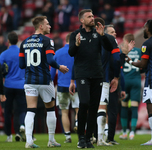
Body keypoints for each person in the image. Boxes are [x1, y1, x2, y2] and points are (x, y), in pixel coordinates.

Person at [19, 16, 69, 148]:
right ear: (40, 26)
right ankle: (51, 140)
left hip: (29, 80)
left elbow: (21, 65)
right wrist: (60, 67)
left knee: (30, 110)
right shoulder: (48, 41)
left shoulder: (24, 42)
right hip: (44, 80)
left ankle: (29, 141)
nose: (50, 26)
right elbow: (51, 60)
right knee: (50, 110)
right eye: (47, 24)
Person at [68, 9, 113, 148]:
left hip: (97, 74)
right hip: (82, 74)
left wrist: (103, 36)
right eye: (89, 17)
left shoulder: (98, 33)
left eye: (93, 16)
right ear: (82, 20)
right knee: (85, 103)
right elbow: (71, 53)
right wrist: (76, 45)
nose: (92, 18)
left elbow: (109, 48)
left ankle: (88, 138)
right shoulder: (75, 34)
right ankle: (81, 136)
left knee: (94, 107)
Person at [93, 20, 121, 146]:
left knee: (89, 108)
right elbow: (116, 59)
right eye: (112, 31)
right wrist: (116, 77)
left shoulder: (85, 38)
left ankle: (87, 137)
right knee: (102, 107)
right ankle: (100, 139)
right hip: (103, 77)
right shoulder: (110, 40)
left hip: (86, 78)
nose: (114, 34)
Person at [50, 32, 79, 143]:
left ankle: (67, 136)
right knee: (78, 109)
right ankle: (77, 124)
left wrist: (51, 84)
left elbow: (52, 73)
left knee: (64, 112)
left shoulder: (57, 53)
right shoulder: (77, 52)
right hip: (76, 85)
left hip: (62, 86)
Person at [0, 31, 26, 142]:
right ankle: (22, 125)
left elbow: (1, 71)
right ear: (18, 40)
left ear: (8, 41)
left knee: (8, 111)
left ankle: (9, 136)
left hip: (8, 85)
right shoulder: (22, 53)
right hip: (21, 85)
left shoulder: (3, 54)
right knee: (22, 109)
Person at [119, 33, 143, 140]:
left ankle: (124, 132)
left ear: (125, 41)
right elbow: (143, 66)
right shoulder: (139, 51)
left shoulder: (122, 52)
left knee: (124, 105)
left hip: (125, 81)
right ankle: (132, 132)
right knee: (134, 106)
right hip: (136, 81)